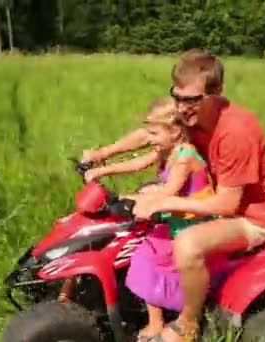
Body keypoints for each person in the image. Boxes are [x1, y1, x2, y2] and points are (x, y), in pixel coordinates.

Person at [82, 49, 265, 342]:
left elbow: (228, 204)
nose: (181, 106)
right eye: (176, 96)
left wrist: (164, 201)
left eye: (190, 99)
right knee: (141, 211)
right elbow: (149, 133)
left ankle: (187, 323)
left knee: (188, 242)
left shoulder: (235, 133)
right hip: (214, 196)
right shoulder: (190, 113)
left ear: (216, 93)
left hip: (250, 218)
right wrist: (101, 155)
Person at [84, 97, 217, 341]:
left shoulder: (185, 156)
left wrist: (136, 198)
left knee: (147, 255)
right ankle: (155, 319)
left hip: (189, 224)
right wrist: (101, 170)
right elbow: (138, 163)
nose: (150, 139)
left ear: (176, 131)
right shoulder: (166, 150)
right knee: (142, 246)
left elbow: (170, 191)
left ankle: (162, 322)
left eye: (154, 133)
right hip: (173, 217)